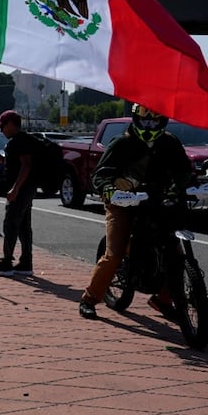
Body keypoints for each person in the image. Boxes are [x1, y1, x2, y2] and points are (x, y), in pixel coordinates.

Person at [79, 104, 193, 320]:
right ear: (136, 119)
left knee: (177, 253)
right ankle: (89, 299)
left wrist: (179, 185)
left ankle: (163, 299)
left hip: (158, 202)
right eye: (145, 120)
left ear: (162, 121)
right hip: (123, 204)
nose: (150, 124)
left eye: (155, 121)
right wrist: (110, 189)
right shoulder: (121, 143)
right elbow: (100, 176)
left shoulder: (170, 142)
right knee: (114, 254)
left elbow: (184, 171)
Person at [0, 110, 44, 276]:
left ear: (11, 124)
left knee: (11, 223)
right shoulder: (22, 141)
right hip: (28, 187)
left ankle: (6, 263)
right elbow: (15, 164)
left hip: (22, 189)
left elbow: (26, 165)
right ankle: (26, 263)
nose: (1, 130)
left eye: (3, 126)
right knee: (24, 226)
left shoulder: (19, 141)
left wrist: (15, 188)